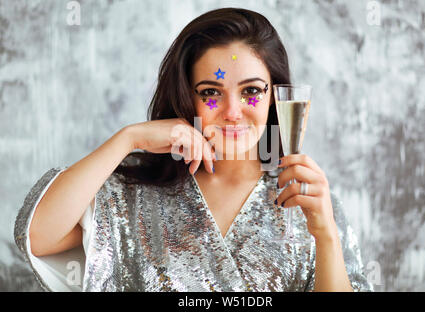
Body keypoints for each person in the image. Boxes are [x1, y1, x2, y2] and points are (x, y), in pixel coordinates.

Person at [14, 8, 373, 292]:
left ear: (275, 98)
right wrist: (128, 139)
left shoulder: (305, 198)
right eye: (211, 93)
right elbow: (38, 237)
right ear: (187, 98)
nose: (233, 112)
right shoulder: (132, 194)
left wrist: (325, 233)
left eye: (251, 91)